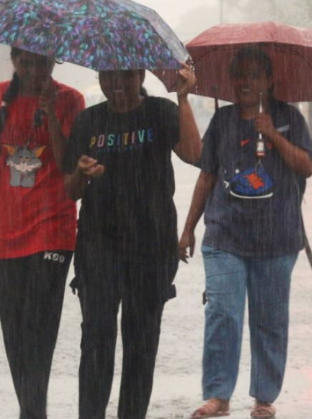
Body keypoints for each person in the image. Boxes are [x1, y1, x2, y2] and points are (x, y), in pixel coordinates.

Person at [179, 47, 312, 419]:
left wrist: (273, 134)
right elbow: (207, 173)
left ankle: (264, 396)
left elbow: (307, 166)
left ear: (270, 81)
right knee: (223, 313)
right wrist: (188, 228)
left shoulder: (289, 117)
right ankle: (218, 395)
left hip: (277, 239)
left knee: (269, 318)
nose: (245, 82)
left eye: (254, 75)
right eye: (239, 75)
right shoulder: (222, 121)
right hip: (225, 237)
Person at [63, 65, 201, 419]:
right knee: (96, 340)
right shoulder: (88, 121)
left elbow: (194, 154)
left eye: (125, 76)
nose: (116, 85)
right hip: (97, 246)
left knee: (141, 345)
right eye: (108, 77)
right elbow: (70, 191)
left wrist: (183, 98)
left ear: (140, 76)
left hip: (151, 246)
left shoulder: (161, 112)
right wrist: (81, 172)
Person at [0, 47, 85, 419]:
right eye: (26, 63)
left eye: (42, 63)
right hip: (5, 233)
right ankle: (32, 409)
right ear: (13, 59)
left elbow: (67, 166)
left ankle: (32, 412)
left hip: (54, 230)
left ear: (54, 62)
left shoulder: (71, 101)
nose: (34, 71)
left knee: (38, 324)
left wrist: (48, 113)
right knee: (15, 332)